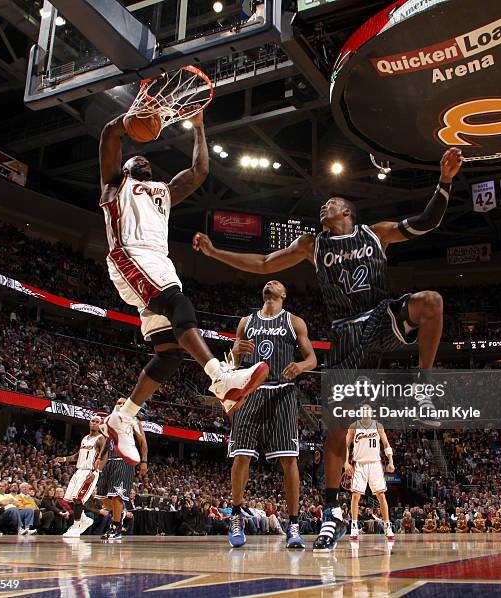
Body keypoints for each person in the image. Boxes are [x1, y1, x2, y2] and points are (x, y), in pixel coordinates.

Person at [193, 148, 463, 550]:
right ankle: (331, 515)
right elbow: (266, 263)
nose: (325, 206)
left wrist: (444, 180)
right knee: (336, 435)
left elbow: (427, 222)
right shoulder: (311, 244)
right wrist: (216, 252)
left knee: (433, 302)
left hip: (379, 317)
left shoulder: (377, 233)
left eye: (332, 204)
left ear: (348, 214)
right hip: (346, 336)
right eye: (324, 205)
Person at [98, 107, 268, 465]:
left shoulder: (162, 193)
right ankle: (220, 378)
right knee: (180, 305)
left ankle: (123, 416)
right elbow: (108, 138)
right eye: (136, 157)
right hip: (130, 255)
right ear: (126, 168)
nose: (142, 159)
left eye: (147, 159)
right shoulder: (117, 184)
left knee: (169, 354)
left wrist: (200, 127)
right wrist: (122, 124)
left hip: (160, 262)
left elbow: (199, 171)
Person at [226, 281, 316, 549]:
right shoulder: (246, 322)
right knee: (241, 454)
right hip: (251, 391)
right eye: (268, 282)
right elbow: (233, 365)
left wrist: (300, 366)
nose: (271, 283)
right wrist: (235, 352)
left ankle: (294, 525)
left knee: (289, 460)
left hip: (283, 392)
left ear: (283, 295)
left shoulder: (294, 322)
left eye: (277, 283)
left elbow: (312, 359)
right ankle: (236, 517)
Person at [96, 398, 148, 540]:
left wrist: (143, 461)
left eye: (123, 403)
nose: (120, 405)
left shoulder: (133, 421)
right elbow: (107, 441)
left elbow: (143, 442)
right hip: (110, 462)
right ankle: (121, 513)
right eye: (118, 403)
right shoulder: (110, 421)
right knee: (102, 497)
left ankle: (116, 526)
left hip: (124, 461)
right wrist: (100, 458)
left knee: (117, 495)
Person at [54, 417, 106, 537]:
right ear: (89, 423)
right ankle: (84, 519)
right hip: (79, 471)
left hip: (90, 471)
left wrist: (96, 471)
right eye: (93, 421)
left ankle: (76, 527)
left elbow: (104, 457)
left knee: (78, 499)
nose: (94, 423)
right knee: (68, 500)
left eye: (98, 422)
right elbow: (79, 455)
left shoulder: (101, 439)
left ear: (100, 425)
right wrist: (65, 459)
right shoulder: (84, 438)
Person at [344, 417, 395, 541]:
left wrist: (391, 461)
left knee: (381, 495)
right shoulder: (354, 426)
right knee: (355, 496)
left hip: (375, 464)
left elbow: (387, 445)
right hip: (359, 464)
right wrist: (346, 462)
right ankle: (354, 527)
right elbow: (345, 445)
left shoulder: (378, 426)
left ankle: (387, 526)